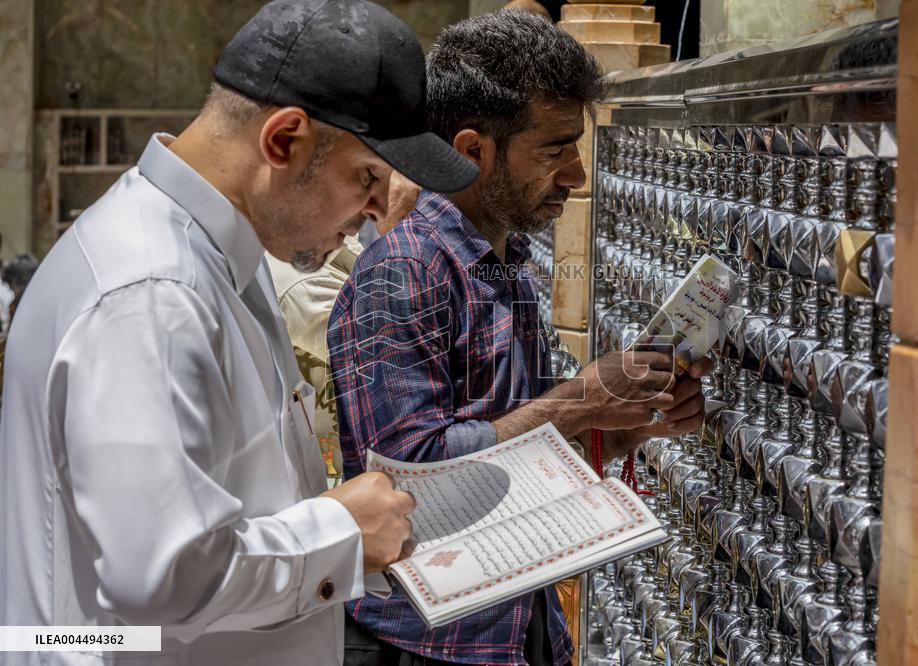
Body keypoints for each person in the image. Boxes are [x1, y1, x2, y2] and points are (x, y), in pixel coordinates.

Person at [0, 1, 478, 665]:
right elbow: (160, 576)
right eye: (367, 177)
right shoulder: (151, 293)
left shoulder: (216, 252)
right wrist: (342, 531)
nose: (377, 209)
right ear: (283, 141)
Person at [328, 11, 710, 666]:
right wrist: (580, 401)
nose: (577, 175)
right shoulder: (402, 274)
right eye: (555, 150)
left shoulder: (506, 264)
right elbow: (407, 487)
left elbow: (518, 460)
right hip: (426, 645)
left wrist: (625, 428)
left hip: (515, 629)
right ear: (472, 150)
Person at [265, 171, 420, 480]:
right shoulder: (303, 278)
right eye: (364, 176)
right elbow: (391, 354)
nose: (373, 199)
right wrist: (401, 234)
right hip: (342, 474)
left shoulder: (332, 240)